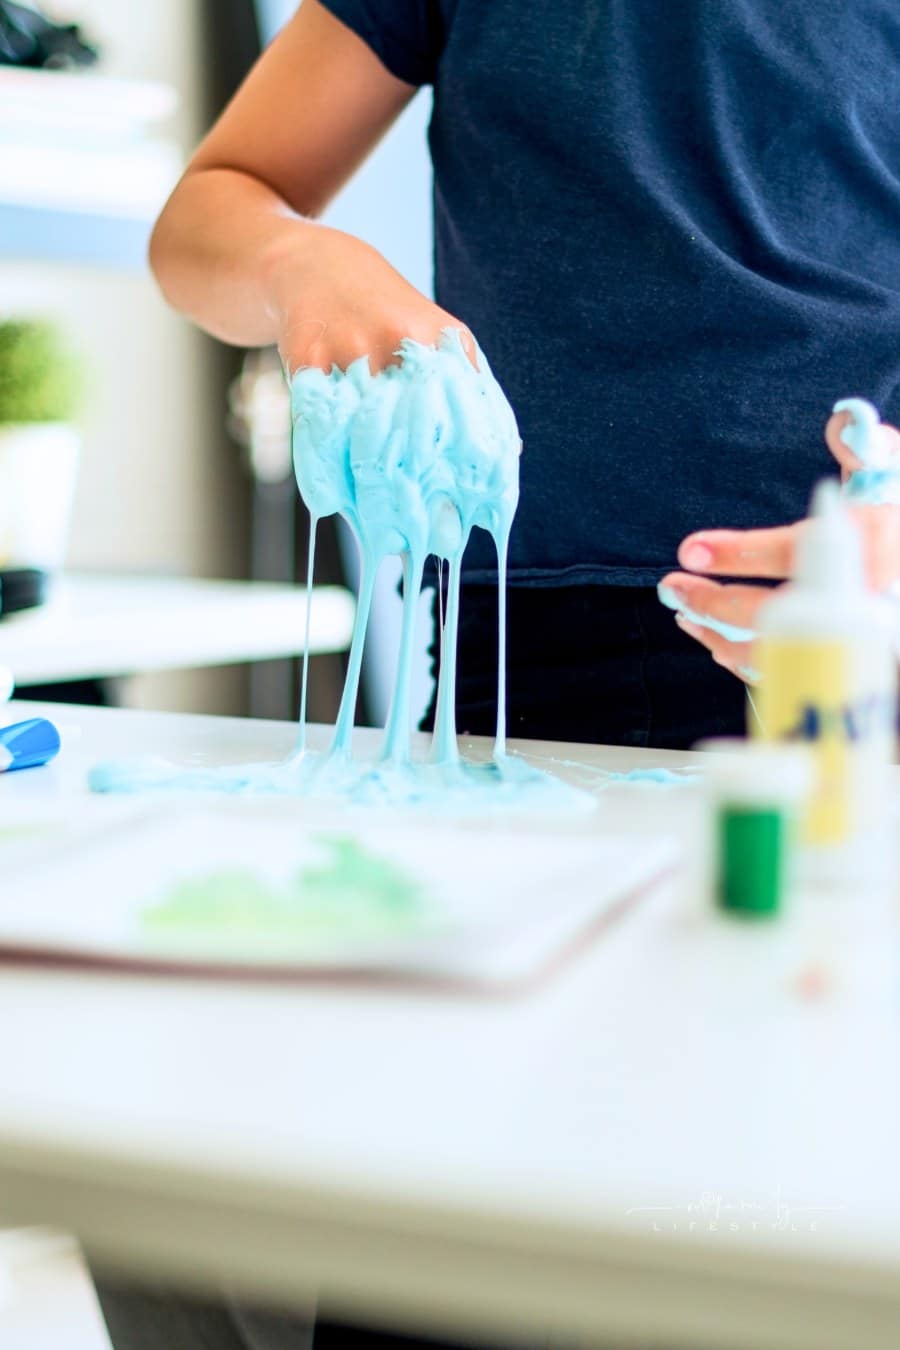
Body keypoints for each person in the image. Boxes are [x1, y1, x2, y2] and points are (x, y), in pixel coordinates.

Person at [96, 1, 900, 1345]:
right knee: (453, 1251)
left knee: (786, 1247)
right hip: (507, 689)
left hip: (847, 692)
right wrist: (298, 257)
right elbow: (209, 214)